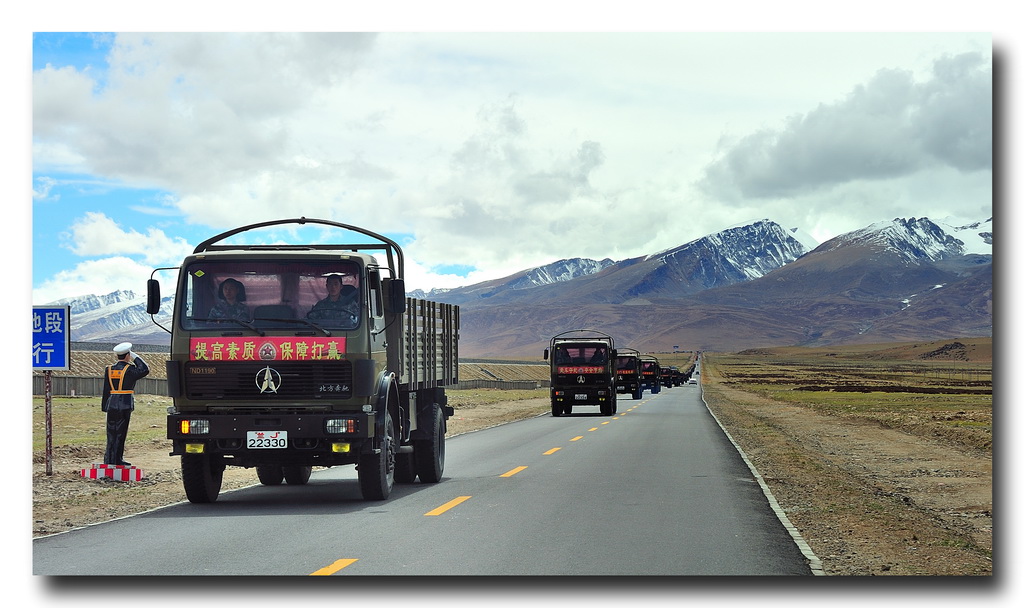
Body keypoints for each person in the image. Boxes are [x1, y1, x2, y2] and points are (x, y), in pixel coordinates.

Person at [101, 342, 150, 466]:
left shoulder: (109, 369)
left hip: (112, 402)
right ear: (128, 355)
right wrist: (135, 356)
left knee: (111, 432)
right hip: (125, 403)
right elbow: (145, 369)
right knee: (121, 433)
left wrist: (104, 406)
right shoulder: (130, 370)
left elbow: (106, 389)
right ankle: (117, 459)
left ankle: (109, 459)